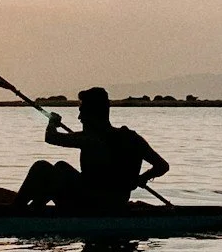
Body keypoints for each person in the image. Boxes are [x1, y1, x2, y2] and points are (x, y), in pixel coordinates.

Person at [16, 87, 168, 213]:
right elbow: (162, 166)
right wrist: (141, 179)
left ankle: (16, 210)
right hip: (116, 203)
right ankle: (34, 209)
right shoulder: (133, 138)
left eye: (82, 111)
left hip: (90, 205)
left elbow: (51, 137)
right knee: (61, 166)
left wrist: (52, 122)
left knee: (42, 167)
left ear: (92, 114)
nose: (79, 117)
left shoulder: (91, 138)